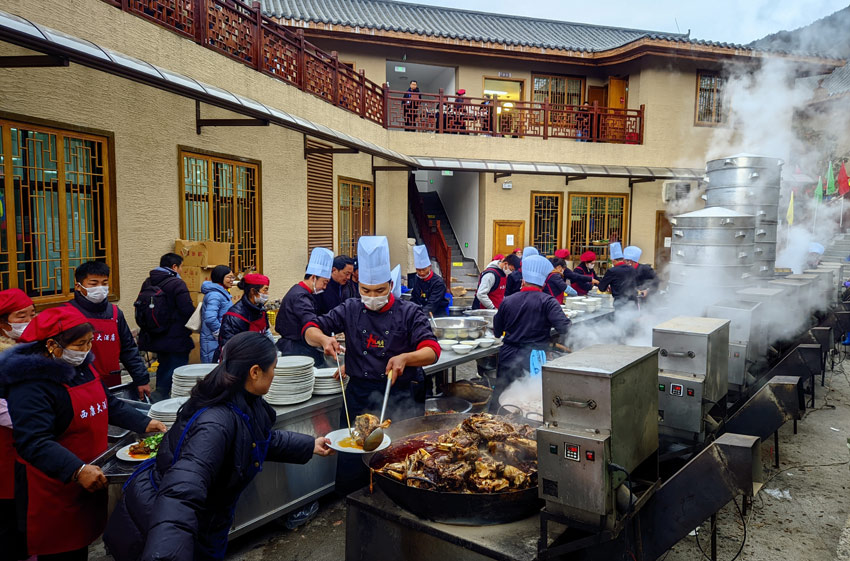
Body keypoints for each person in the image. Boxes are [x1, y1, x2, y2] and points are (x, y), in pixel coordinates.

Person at [103, 332, 333, 561]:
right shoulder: (215, 423)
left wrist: (309, 444)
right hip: (162, 524)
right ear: (254, 372)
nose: (275, 374)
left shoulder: (241, 397)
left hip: (206, 522)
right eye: (273, 367)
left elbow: (255, 440)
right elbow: (181, 494)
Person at [0, 307, 165, 561]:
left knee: (83, 545)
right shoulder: (31, 383)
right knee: (62, 552)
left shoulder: (81, 366)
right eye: (80, 344)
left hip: (89, 476)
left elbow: (108, 404)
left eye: (90, 342)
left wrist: (144, 423)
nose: (87, 349)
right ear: (53, 345)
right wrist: (77, 470)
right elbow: (33, 442)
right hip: (54, 486)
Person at [304, 237, 439, 492]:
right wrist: (323, 339)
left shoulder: (409, 312)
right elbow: (310, 328)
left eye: (379, 290)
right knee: (356, 456)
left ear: (390, 284)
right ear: (358, 284)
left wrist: (405, 357)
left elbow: (432, 350)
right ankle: (357, 500)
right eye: (366, 290)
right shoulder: (350, 308)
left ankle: (401, 496)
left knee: (400, 455)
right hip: (360, 395)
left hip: (398, 394)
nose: (372, 297)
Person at [492, 255, 569, 408]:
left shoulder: (508, 300)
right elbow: (565, 327)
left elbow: (497, 331)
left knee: (501, 396)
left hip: (508, 355)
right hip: (533, 357)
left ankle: (491, 423)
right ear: (543, 283)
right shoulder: (548, 301)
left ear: (523, 281)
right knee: (529, 402)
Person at [67, 261, 151, 397]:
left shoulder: (115, 313)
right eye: (93, 284)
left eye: (104, 283)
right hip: (79, 386)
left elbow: (128, 349)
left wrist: (141, 379)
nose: (100, 288)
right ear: (78, 286)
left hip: (112, 384)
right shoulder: (67, 313)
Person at [0, 288, 36, 561]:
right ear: (3, 323)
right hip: (6, 445)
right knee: (9, 508)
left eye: (32, 314)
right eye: (21, 316)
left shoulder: (30, 347)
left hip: (28, 442)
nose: (29, 320)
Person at [136, 253, 196, 402]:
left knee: (164, 365)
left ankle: (160, 395)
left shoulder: (148, 281)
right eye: (181, 267)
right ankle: (168, 399)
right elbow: (186, 309)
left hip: (155, 334)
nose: (181, 270)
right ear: (174, 267)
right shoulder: (177, 283)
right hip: (175, 335)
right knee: (177, 368)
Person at [276, 248, 333, 366]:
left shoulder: (299, 291)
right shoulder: (300, 297)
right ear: (313, 278)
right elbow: (310, 321)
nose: (325, 287)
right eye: (325, 282)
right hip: (295, 348)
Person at [216, 274, 272, 361]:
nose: (267, 294)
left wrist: (273, 350)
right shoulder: (234, 317)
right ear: (253, 291)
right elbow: (228, 348)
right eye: (265, 290)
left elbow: (266, 332)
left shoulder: (261, 310)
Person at [200, 265, 235, 363]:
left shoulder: (222, 293)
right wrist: (220, 333)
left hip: (218, 340)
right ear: (220, 277)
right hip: (213, 341)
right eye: (229, 277)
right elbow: (210, 318)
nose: (232, 280)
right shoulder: (215, 295)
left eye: (233, 277)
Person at [410, 245, 449, 317]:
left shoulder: (438, 283)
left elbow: (432, 304)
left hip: (437, 314)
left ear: (430, 267)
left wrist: (419, 316)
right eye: (418, 270)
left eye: (424, 269)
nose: (421, 273)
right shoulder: (416, 278)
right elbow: (414, 297)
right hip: (421, 312)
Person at [598, 242, 638, 308]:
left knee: (621, 318)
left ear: (613, 261)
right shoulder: (632, 269)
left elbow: (601, 288)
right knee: (632, 317)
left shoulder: (612, 271)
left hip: (620, 303)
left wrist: (610, 287)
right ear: (623, 259)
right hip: (633, 301)